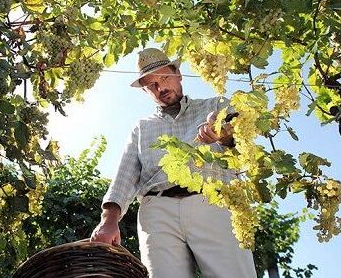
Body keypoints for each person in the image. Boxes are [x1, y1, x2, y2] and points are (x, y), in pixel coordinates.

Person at [90, 48, 257, 278]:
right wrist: (108, 221)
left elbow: (244, 143)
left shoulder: (216, 106)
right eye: (152, 85)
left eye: (164, 78)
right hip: (157, 212)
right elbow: (125, 176)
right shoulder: (142, 128)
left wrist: (223, 135)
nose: (160, 89)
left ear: (178, 73)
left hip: (213, 201)